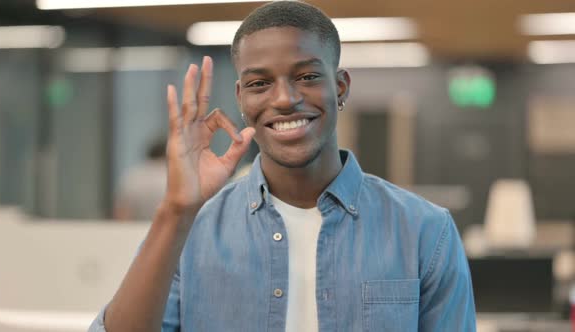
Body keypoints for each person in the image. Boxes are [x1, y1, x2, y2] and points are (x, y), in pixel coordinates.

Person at [90, 1, 476, 331]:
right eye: (260, 84)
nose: (285, 99)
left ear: (340, 86)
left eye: (306, 77)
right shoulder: (192, 230)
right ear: (242, 98)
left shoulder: (424, 231)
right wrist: (177, 210)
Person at [113, 139, 168, 221]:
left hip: (135, 230)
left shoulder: (133, 175)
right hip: (166, 230)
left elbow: (122, 213)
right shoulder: (171, 175)